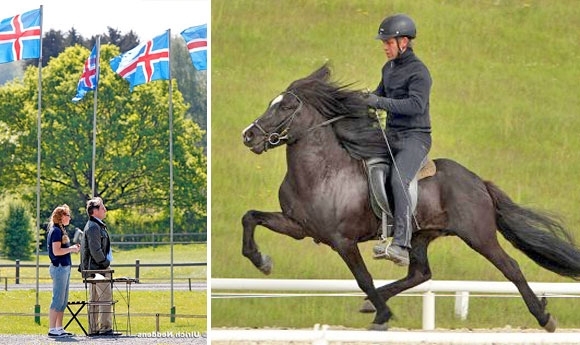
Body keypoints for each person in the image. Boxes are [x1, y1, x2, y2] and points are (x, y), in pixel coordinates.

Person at [364, 14, 432, 266]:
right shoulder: (388, 69)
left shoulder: (419, 72)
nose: (384, 46)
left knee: (398, 178)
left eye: (388, 42)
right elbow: (377, 96)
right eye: (384, 42)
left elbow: (416, 105)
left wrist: (378, 102)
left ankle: (402, 244)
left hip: (415, 138)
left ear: (404, 42)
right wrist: (363, 101)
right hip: (391, 136)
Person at [78, 196, 114, 336]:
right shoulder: (93, 227)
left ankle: (94, 329)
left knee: (94, 300)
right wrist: (105, 263)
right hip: (97, 269)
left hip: (93, 268)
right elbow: (95, 250)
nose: (105, 209)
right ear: (95, 211)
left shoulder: (95, 225)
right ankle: (105, 328)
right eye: (102, 207)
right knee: (104, 298)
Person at [47, 204, 80, 337]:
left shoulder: (60, 230)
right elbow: (56, 251)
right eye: (67, 215)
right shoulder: (55, 231)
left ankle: (59, 327)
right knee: (57, 299)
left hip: (64, 267)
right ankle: (52, 329)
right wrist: (71, 249)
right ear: (61, 217)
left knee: (63, 300)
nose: (70, 218)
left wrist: (71, 247)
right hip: (59, 267)